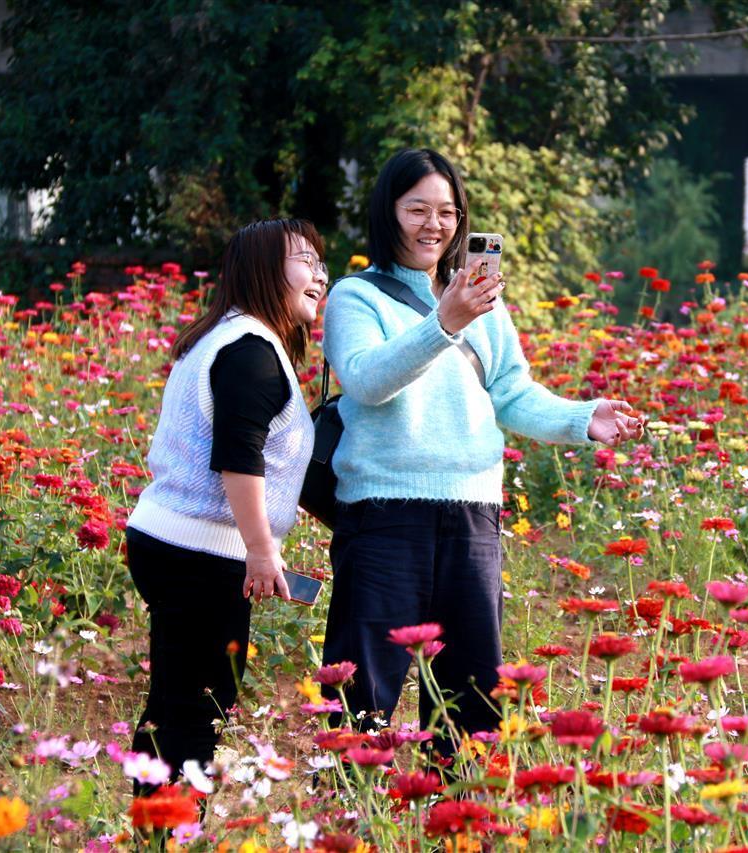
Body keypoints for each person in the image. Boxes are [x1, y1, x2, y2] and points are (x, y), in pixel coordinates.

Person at [321, 148, 640, 751]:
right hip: (384, 516)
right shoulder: (356, 297)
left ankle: (456, 832)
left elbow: (512, 393)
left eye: (446, 211)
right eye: (417, 209)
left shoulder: (482, 302)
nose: (433, 225)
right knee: (362, 695)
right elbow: (365, 380)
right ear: (388, 214)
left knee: (471, 702)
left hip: (473, 516)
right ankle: (354, 830)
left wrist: (583, 418)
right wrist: (443, 322)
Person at [125, 219, 327, 788]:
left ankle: (156, 827)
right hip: (200, 553)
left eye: (320, 264)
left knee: (176, 700)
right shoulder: (249, 352)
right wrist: (262, 552)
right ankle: (168, 830)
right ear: (264, 269)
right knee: (196, 705)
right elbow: (239, 459)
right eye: (304, 262)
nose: (318, 275)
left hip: (174, 542)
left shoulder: (231, 338)